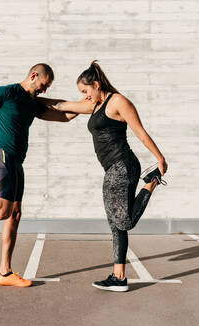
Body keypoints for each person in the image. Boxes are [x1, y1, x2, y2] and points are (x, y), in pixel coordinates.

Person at [47, 60, 168, 292]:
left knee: (124, 221)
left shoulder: (118, 102)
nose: (84, 96)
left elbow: (140, 132)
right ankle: (118, 277)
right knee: (115, 224)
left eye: (85, 91)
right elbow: (62, 107)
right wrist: (28, 99)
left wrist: (160, 159)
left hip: (122, 165)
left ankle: (151, 182)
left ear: (96, 84)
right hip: (112, 169)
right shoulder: (94, 104)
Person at [0, 63, 77, 287]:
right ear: (33, 76)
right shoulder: (7, 92)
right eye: (43, 85)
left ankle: (4, 273)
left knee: (15, 215)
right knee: (1, 213)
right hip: (2, 155)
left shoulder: (31, 104)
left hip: (17, 163)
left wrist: (89, 106)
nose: (44, 90)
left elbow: (64, 117)